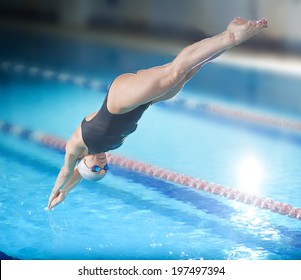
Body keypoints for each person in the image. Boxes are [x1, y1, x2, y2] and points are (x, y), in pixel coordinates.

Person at [47, 17, 268, 210]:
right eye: (105, 168)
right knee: (189, 71)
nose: (102, 164)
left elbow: (68, 172)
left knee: (174, 73)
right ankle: (229, 31)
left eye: (96, 167)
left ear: (82, 161)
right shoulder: (104, 150)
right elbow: (83, 173)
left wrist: (59, 190)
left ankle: (233, 37)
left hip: (119, 100)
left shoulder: (76, 146)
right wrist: (71, 189)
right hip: (145, 102)